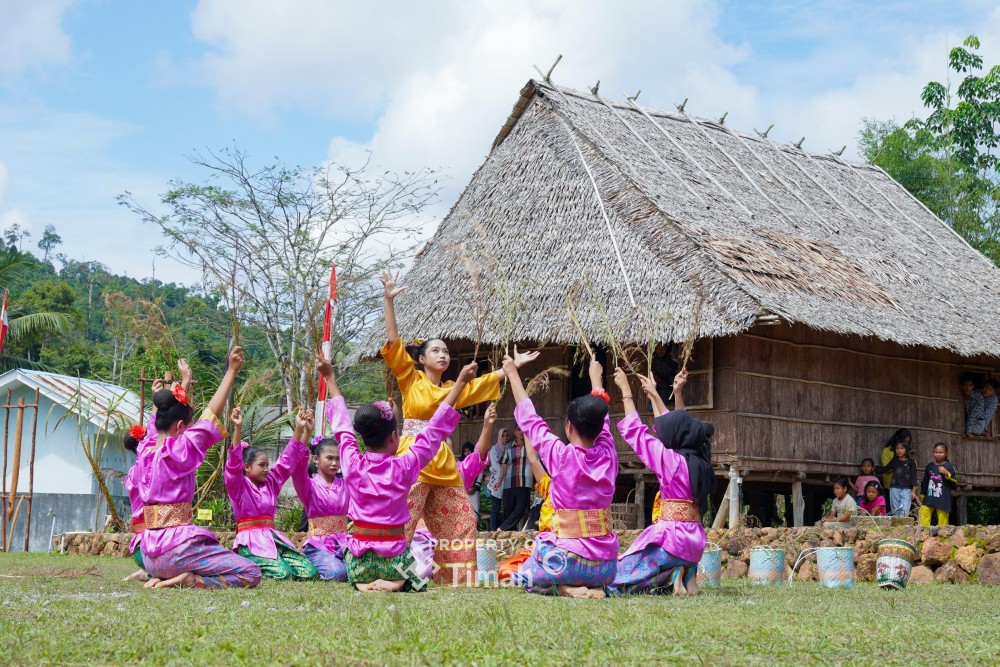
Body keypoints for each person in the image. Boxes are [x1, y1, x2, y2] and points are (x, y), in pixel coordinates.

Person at [380, 270, 538, 584]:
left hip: (444, 461)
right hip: (415, 458)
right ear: (422, 358)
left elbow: (483, 382)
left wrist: (511, 368)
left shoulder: (457, 386)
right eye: (436, 350)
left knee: (463, 520)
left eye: (446, 351)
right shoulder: (411, 380)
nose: (443, 355)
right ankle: (383, 573)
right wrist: (389, 302)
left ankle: (457, 580)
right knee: (401, 520)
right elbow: (394, 344)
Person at [318, 353, 477, 592]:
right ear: (395, 437)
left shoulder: (351, 462)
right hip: (394, 559)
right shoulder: (403, 466)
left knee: (358, 558)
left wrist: (330, 377)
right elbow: (432, 433)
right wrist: (461, 384)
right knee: (415, 571)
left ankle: (362, 582)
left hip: (359, 559)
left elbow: (342, 428)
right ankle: (396, 582)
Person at [137, 347, 261, 589]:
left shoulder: (145, 449)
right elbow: (210, 416)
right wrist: (231, 372)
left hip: (149, 557)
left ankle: (165, 576)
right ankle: (190, 580)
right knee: (251, 571)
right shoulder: (177, 452)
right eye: (189, 425)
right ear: (182, 426)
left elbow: (162, 420)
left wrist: (182, 383)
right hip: (175, 551)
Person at [507, 354, 618, 599]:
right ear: (601, 430)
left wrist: (512, 372)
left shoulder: (561, 455)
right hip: (606, 567)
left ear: (568, 427)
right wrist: (596, 380)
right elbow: (602, 418)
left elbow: (530, 420)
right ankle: (595, 585)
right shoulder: (609, 452)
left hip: (566, 562)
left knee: (523, 574)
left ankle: (565, 588)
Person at [610, 367, 713, 596]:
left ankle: (671, 574)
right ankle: (687, 573)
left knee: (618, 573)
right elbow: (677, 426)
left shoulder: (670, 462)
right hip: (695, 543)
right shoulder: (702, 462)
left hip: (671, 540)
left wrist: (626, 391)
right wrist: (656, 395)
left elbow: (637, 433)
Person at [225, 407, 318, 581]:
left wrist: (301, 429)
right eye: (262, 465)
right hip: (250, 541)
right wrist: (237, 428)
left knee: (310, 573)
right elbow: (232, 464)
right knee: (283, 574)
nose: (267, 469)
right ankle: (245, 563)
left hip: (272, 538)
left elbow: (287, 460)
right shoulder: (238, 485)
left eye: (268, 465)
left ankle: (273, 562)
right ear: (246, 467)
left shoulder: (271, 482)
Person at [122, 362, 194, 584]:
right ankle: (160, 575)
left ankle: (152, 574)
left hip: (143, 548)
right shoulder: (165, 457)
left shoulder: (140, 465)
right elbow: (175, 430)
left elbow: (159, 429)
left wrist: (158, 400)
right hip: (163, 545)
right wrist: (185, 383)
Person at [289, 426, 350, 582]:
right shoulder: (308, 485)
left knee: (358, 570)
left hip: (345, 542)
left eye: (338, 458)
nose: (334, 463)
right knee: (338, 573)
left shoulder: (345, 483)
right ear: (316, 459)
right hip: (319, 545)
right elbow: (297, 466)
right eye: (329, 458)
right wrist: (306, 432)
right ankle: (309, 563)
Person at [498, 425, 534, 531]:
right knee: (508, 511)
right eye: (519, 429)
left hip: (524, 483)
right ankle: (507, 537)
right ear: (515, 433)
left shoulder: (531, 447)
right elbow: (504, 465)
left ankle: (502, 529)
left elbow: (536, 464)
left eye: (523, 429)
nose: (521, 432)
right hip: (510, 483)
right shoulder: (508, 447)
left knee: (521, 509)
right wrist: (500, 481)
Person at [876, 439, 918, 518]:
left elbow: (914, 476)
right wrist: (874, 469)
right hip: (894, 487)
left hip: (907, 488)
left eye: (901, 448)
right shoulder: (895, 460)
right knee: (895, 509)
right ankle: (896, 528)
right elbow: (886, 469)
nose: (899, 450)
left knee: (904, 508)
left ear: (906, 449)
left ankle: (902, 527)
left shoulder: (911, 462)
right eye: (897, 448)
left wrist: (913, 491)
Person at [918, 443, 957, 527]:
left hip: (943, 499)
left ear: (946, 453)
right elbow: (925, 482)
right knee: (923, 514)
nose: (938, 454)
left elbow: (954, 483)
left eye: (941, 452)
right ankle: (922, 535)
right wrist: (922, 495)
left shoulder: (949, 466)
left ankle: (943, 538)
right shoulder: (929, 466)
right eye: (936, 452)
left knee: (943, 523)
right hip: (929, 497)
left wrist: (947, 473)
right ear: (933, 452)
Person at [486, 429, 510, 530]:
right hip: (495, 482)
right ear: (499, 437)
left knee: (507, 508)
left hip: (507, 483)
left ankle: (503, 531)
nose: (505, 438)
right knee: (495, 508)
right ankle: (492, 531)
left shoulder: (509, 448)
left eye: (507, 436)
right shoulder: (494, 449)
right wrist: (505, 470)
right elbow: (495, 465)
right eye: (503, 436)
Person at [650, 343, 679, 409]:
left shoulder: (670, 360)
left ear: (666, 349)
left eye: (662, 349)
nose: (660, 351)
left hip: (666, 387)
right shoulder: (654, 359)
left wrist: (661, 378)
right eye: (658, 349)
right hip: (655, 386)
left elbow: (670, 372)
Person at [459, 441, 482, 519]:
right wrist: (464, 489)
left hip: (474, 491)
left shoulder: (477, 462)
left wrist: (474, 487)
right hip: (463, 491)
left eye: (469, 450)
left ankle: (476, 529)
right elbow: (458, 476)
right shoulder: (459, 462)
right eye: (465, 451)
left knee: (475, 512)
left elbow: (480, 475)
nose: (467, 453)